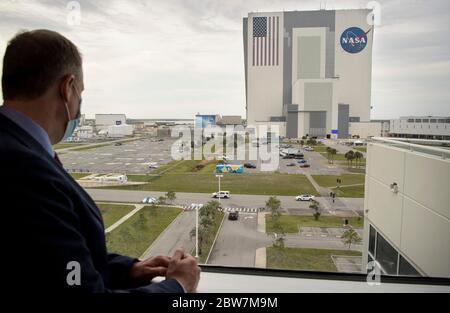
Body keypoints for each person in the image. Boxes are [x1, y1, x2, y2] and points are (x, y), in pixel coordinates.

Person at [0, 30, 201, 293]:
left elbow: (48, 263)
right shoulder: (25, 170)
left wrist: (128, 269)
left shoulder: (15, 146)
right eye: (80, 93)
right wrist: (179, 286)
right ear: (67, 88)